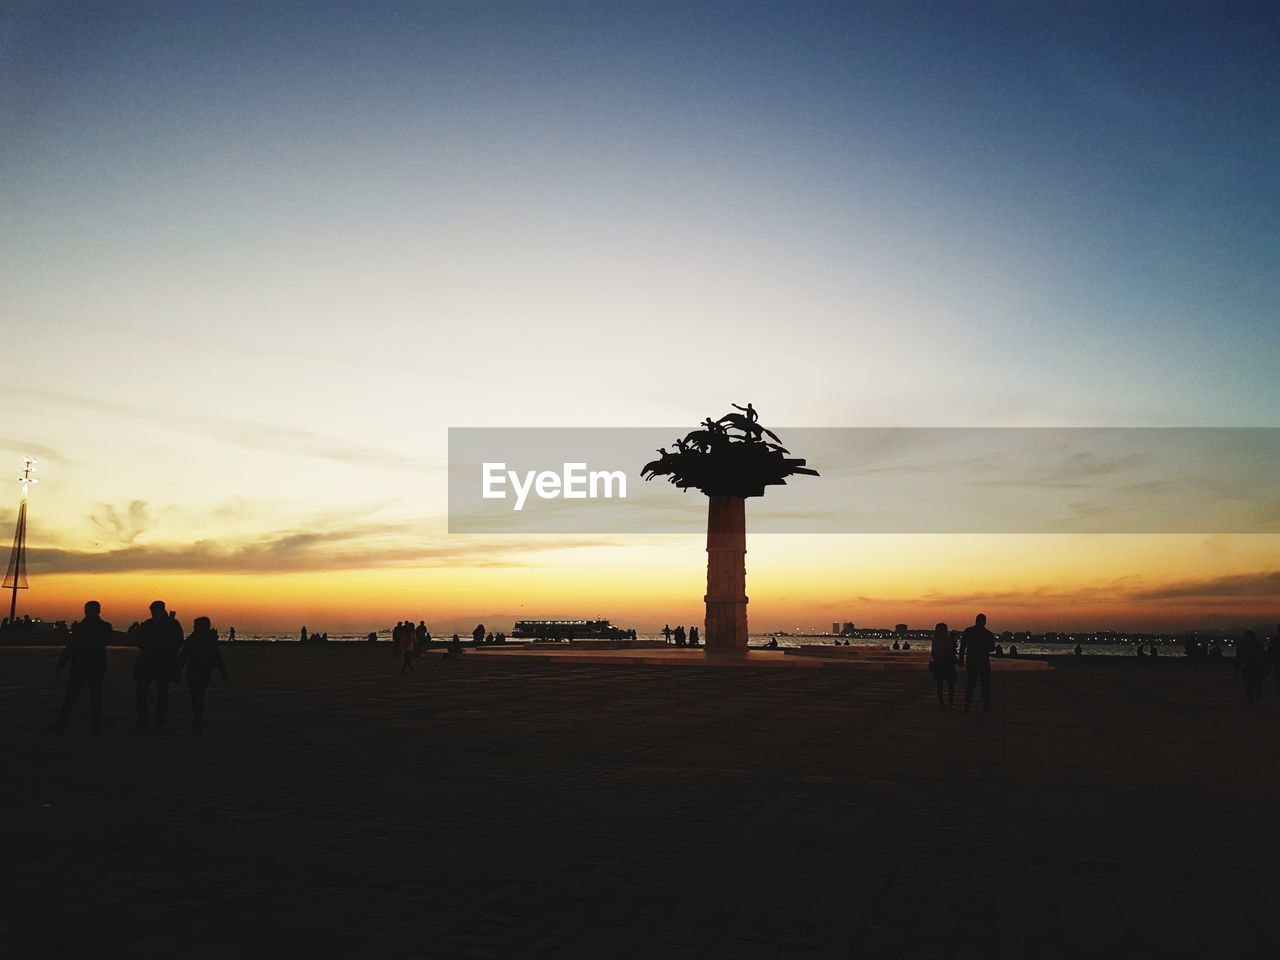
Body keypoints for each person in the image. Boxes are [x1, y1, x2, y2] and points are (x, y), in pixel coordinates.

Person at [55, 600, 113, 734]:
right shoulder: (102, 626)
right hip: (92, 667)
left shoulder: (81, 627)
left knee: (73, 697)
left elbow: (70, 647)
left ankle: (61, 726)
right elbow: (71, 647)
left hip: (83, 666)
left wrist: (61, 663)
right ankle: (95, 727)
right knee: (93, 697)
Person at [132, 600, 184, 733]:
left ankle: (157, 720)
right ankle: (144, 720)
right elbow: (139, 641)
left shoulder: (171, 624)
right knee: (145, 691)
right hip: (150, 662)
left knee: (161, 692)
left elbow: (178, 642)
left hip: (163, 663)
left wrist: (163, 642)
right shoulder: (151, 624)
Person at [178, 617, 228, 734]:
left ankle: (197, 719)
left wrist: (178, 668)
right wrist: (223, 673)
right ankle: (197, 718)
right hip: (201, 671)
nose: (194, 628)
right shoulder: (207, 639)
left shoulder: (196, 639)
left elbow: (184, 656)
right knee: (198, 695)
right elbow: (217, 657)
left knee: (197, 695)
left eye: (196, 626)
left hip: (198, 671)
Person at [959, 613, 995, 713]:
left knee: (971, 684)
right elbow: (992, 648)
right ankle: (986, 706)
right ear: (984, 622)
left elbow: (962, 647)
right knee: (985, 685)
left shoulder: (968, 631)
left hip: (972, 661)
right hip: (983, 662)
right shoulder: (988, 634)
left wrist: (961, 659)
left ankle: (967, 706)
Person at [929, 622, 957, 711]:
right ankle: (950, 703)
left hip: (939, 666)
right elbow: (952, 652)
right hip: (948, 666)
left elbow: (935, 654)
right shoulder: (947, 641)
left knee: (940, 686)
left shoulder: (935, 641)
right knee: (951, 685)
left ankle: (942, 704)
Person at [1236, 629, 1266, 709]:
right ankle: (1257, 698)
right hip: (1255, 667)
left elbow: (1238, 658)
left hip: (1247, 668)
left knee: (1249, 685)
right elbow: (1263, 656)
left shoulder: (1242, 645)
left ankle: (1251, 700)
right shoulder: (1257, 645)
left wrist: (1238, 668)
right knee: (1256, 683)